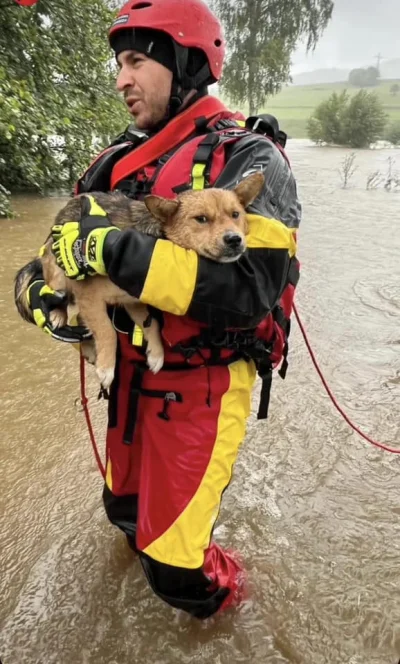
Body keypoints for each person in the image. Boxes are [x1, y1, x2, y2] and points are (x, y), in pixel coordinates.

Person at [14, 0, 301, 620]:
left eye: (137, 60)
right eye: (119, 62)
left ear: (186, 63)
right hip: (130, 384)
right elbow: (53, 254)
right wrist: (34, 294)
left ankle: (243, 614)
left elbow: (249, 292)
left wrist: (117, 251)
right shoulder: (115, 162)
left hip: (202, 383)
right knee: (123, 515)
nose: (121, 78)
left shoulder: (254, 160)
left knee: (177, 569)